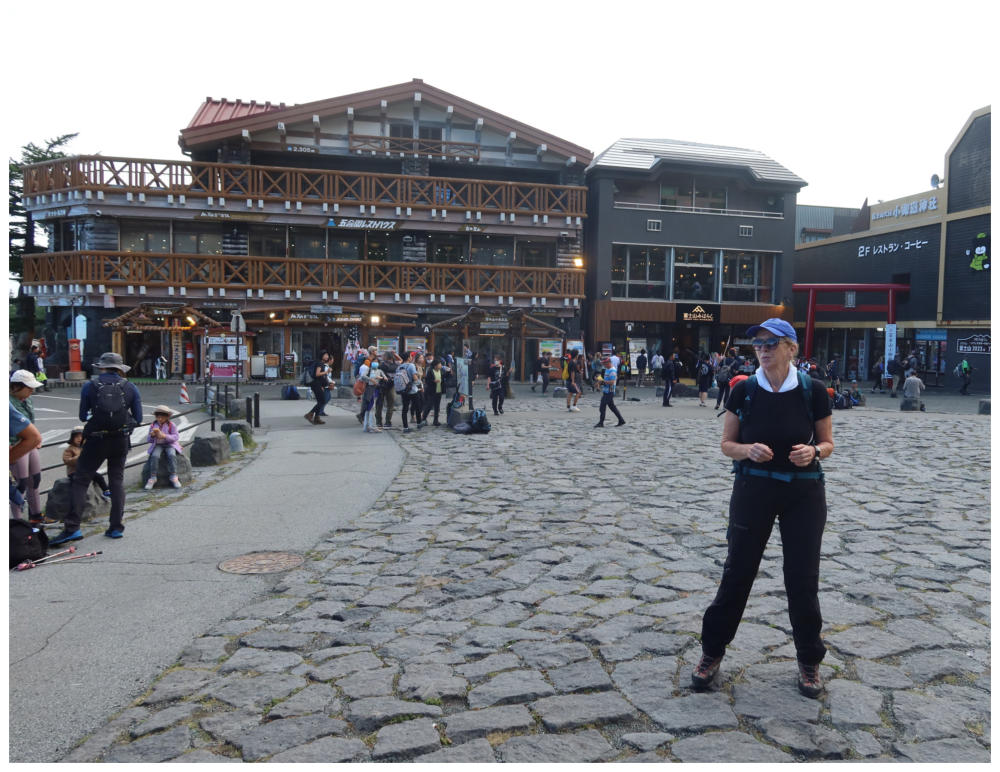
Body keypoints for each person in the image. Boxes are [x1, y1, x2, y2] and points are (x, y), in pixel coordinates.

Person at [692, 318, 833, 698]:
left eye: (771, 343)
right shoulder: (744, 389)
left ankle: (809, 659)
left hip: (804, 494)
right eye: (758, 343)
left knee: (802, 578)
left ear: (791, 348)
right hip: (753, 490)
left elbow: (828, 443)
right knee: (737, 571)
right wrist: (747, 450)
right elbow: (727, 445)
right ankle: (711, 652)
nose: (763, 349)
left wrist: (814, 452)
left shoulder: (813, 390)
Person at [51, 352, 143, 544]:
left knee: (81, 480)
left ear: (102, 367)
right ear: (120, 369)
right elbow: (139, 418)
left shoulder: (90, 386)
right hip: (120, 440)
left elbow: (82, 416)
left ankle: (72, 528)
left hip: (96, 440)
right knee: (116, 480)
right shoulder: (130, 387)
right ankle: (116, 527)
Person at [9, 370, 47, 523]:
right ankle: (18, 522)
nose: (32, 391)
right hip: (16, 445)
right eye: (28, 387)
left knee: (35, 480)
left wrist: (35, 438)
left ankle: (36, 516)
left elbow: (30, 422)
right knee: (21, 484)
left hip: (30, 444)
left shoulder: (27, 400)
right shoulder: (8, 401)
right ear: (16, 386)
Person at [64, 426, 111, 500]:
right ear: (72, 438)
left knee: (99, 477)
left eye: (81, 436)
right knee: (79, 481)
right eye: (76, 437)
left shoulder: (86, 447)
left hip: (87, 470)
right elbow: (66, 460)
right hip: (74, 471)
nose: (79, 439)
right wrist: (79, 458)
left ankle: (106, 490)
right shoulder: (70, 449)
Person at [143, 405, 184, 489]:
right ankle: (153, 477)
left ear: (167, 417)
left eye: (162, 417)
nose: (160, 419)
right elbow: (149, 440)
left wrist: (165, 436)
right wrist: (152, 436)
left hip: (170, 444)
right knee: (155, 456)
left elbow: (176, 437)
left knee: (171, 455)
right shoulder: (153, 425)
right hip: (158, 445)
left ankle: (173, 476)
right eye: (158, 416)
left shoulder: (171, 425)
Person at [595, 356, 625, 428]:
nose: (603, 365)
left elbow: (612, 382)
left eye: (604, 363)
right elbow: (604, 379)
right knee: (612, 407)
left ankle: (601, 422)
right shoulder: (607, 369)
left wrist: (603, 381)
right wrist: (599, 382)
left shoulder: (612, 371)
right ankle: (621, 420)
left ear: (608, 363)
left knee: (602, 406)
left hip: (610, 391)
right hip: (606, 391)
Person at [376, 351, 401, 429]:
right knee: (390, 405)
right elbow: (401, 360)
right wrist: (395, 354)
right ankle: (388, 422)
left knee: (379, 405)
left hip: (381, 386)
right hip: (391, 386)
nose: (382, 357)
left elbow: (376, 375)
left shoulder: (381, 365)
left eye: (383, 356)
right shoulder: (396, 365)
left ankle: (378, 422)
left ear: (386, 357)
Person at [305, 352, 332, 425]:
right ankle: (310, 414)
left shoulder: (320, 363)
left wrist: (322, 385)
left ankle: (317, 418)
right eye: (325, 355)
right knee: (322, 401)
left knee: (320, 401)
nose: (327, 356)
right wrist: (326, 372)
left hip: (317, 384)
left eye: (327, 355)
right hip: (316, 384)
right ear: (321, 355)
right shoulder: (320, 363)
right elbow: (317, 374)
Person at [398, 354, 420, 434]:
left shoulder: (399, 367)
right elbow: (415, 377)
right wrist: (419, 384)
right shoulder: (411, 365)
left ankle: (405, 427)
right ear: (408, 358)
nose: (411, 358)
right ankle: (419, 423)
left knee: (405, 408)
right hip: (412, 389)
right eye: (410, 356)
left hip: (404, 390)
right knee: (417, 406)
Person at [361, 360, 385, 433]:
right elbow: (363, 376)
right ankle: (372, 427)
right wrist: (371, 379)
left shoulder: (378, 371)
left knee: (368, 408)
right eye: (374, 361)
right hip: (370, 390)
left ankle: (366, 426)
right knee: (371, 408)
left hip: (373, 390)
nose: (375, 363)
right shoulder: (368, 370)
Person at [422, 358, 446, 425]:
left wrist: (449, 372)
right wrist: (433, 381)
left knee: (437, 406)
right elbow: (427, 381)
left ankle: (436, 420)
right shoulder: (431, 371)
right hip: (432, 391)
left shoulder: (441, 371)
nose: (441, 365)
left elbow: (445, 377)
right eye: (439, 364)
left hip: (439, 390)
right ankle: (423, 418)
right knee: (429, 405)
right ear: (435, 365)